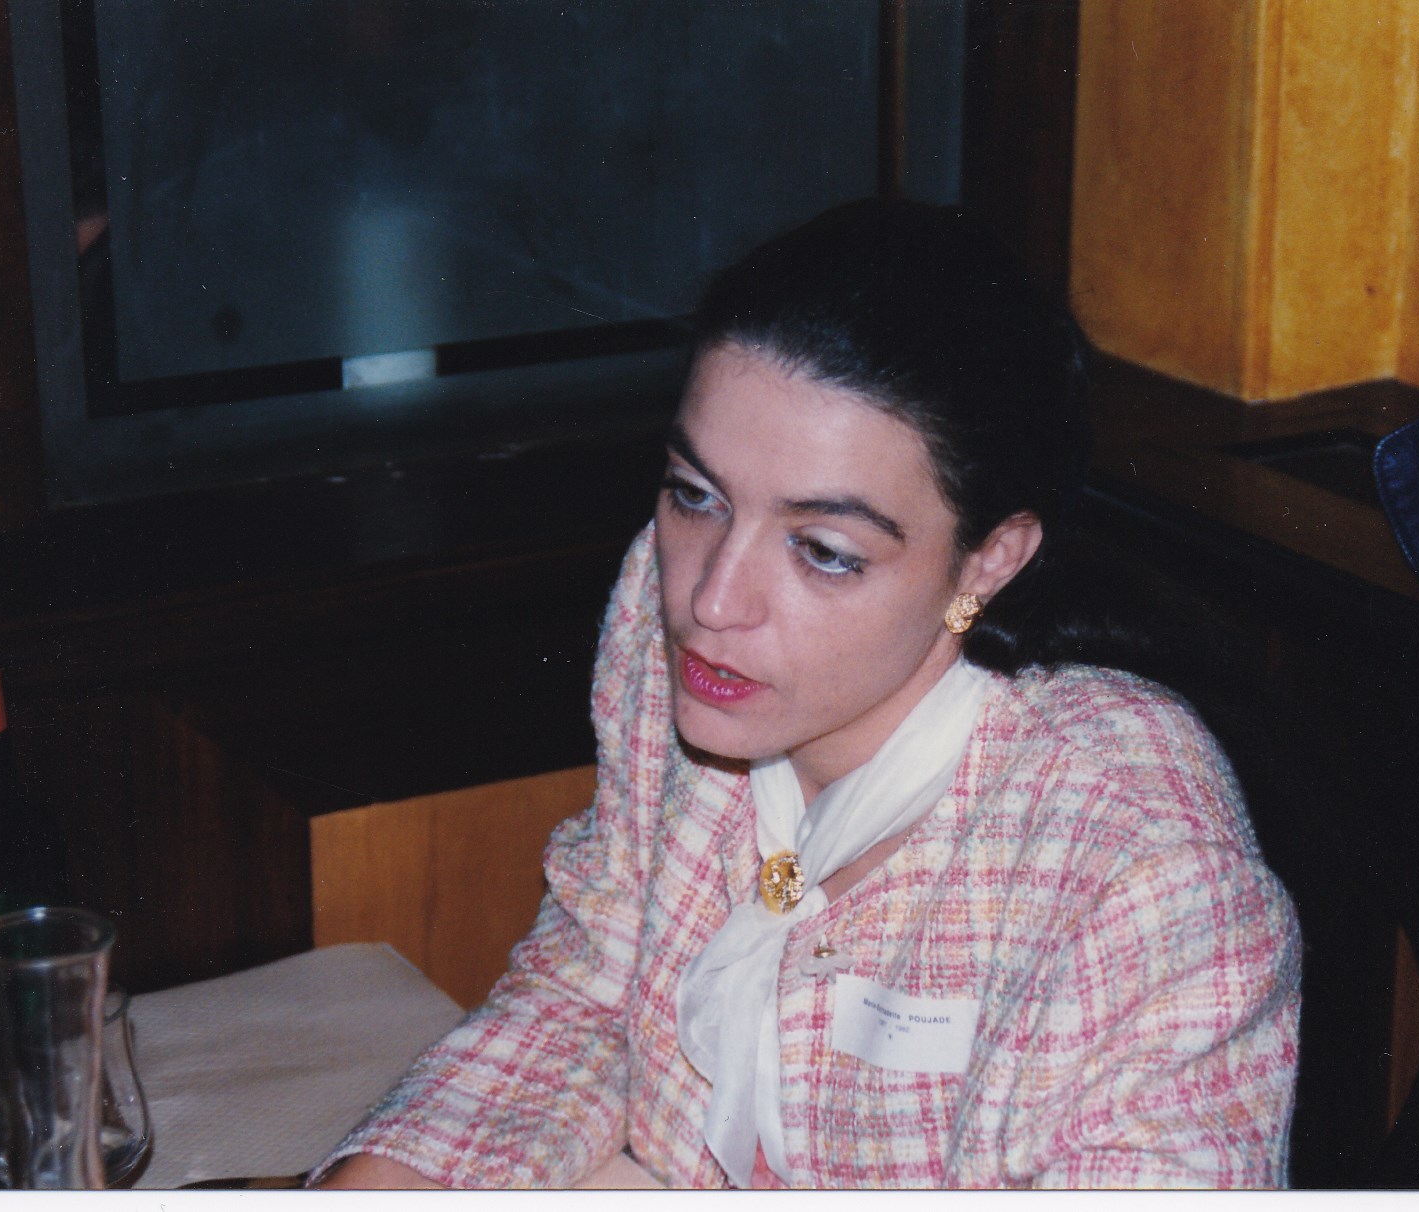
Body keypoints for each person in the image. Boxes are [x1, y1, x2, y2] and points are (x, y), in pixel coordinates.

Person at [315, 199, 1301, 1189]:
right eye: (694, 494)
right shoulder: (667, 624)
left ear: (989, 561)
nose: (711, 599)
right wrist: (389, 1179)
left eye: (824, 551)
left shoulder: (1144, 873)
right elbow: (595, 988)